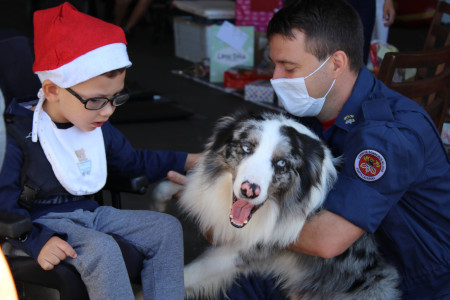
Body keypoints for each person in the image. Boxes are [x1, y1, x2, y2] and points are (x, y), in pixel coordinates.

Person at [169, 0, 450, 299]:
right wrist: (186, 170)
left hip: (404, 281)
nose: (276, 78)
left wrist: (225, 218)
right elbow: (254, 158)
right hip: (330, 265)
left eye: (289, 67)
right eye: (273, 64)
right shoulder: (310, 107)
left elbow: (327, 240)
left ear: (336, 64)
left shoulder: (386, 137)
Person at [0, 3, 200, 299]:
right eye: (97, 100)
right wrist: (36, 240)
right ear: (54, 90)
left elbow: (132, 162)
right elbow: (3, 201)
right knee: (102, 248)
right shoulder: (17, 133)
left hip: (91, 215)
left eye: (115, 98)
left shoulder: (95, 124)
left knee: (165, 228)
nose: (107, 111)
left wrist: (187, 160)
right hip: (42, 223)